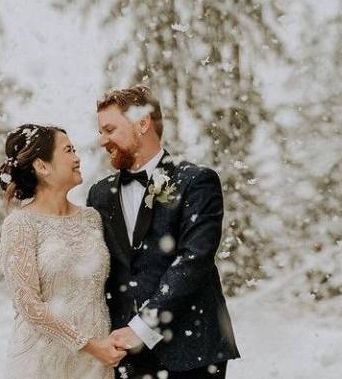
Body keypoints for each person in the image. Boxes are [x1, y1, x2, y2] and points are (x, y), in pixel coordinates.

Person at [86, 85, 241, 378]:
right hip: (124, 356)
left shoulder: (196, 182)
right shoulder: (99, 194)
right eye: (100, 131)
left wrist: (143, 327)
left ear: (142, 123)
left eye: (109, 129)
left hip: (191, 351)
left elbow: (193, 261)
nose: (102, 140)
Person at [0, 124, 126, 379]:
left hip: (95, 365)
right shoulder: (21, 224)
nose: (77, 158)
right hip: (43, 363)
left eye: (75, 150)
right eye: (68, 151)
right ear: (42, 166)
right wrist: (88, 345)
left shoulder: (92, 218)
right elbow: (27, 303)